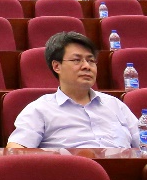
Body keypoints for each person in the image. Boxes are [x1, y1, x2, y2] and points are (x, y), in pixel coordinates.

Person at [7, 31, 140, 150]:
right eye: (77, 60)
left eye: (91, 60)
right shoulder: (40, 109)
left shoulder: (115, 105)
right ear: (57, 66)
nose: (87, 66)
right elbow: (16, 151)